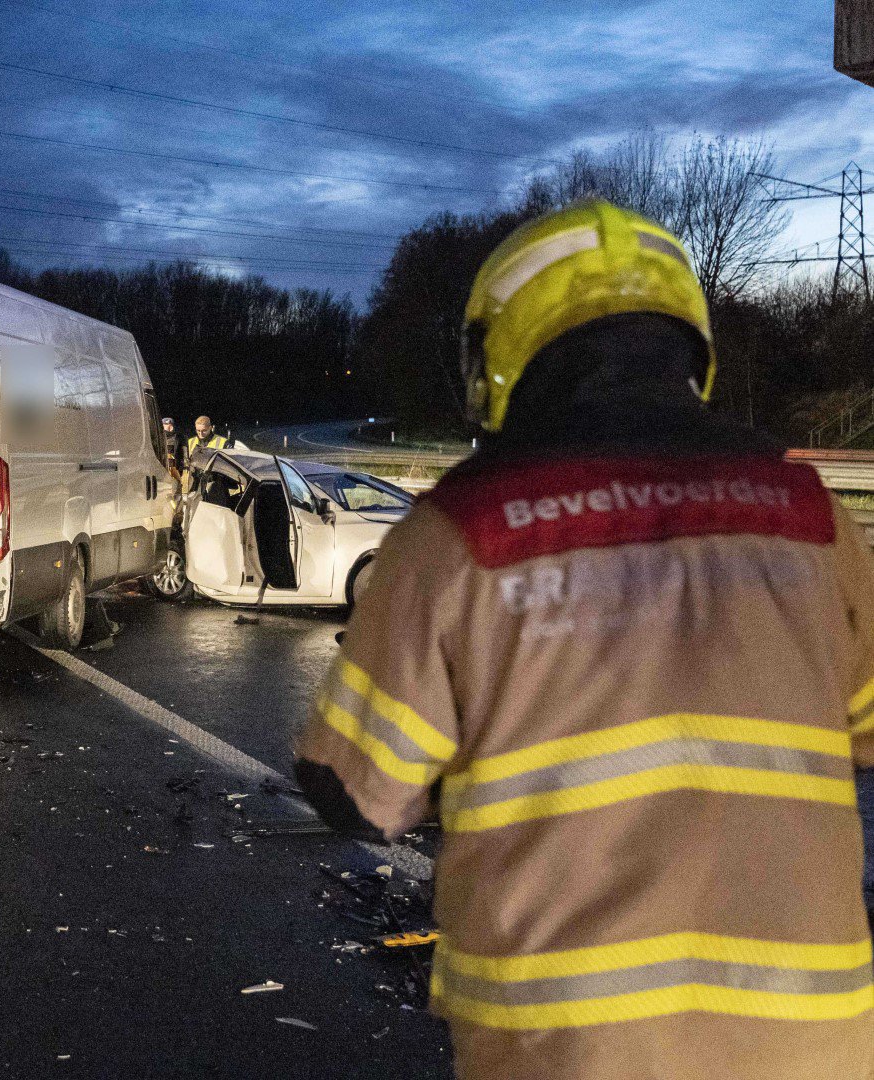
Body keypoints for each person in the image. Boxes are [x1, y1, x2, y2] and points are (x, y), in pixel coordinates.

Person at [293, 200, 874, 1080]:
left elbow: (352, 790)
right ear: (690, 348)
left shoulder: (458, 534)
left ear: (500, 354)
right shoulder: (814, 519)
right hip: (814, 1044)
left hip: (566, 1051)